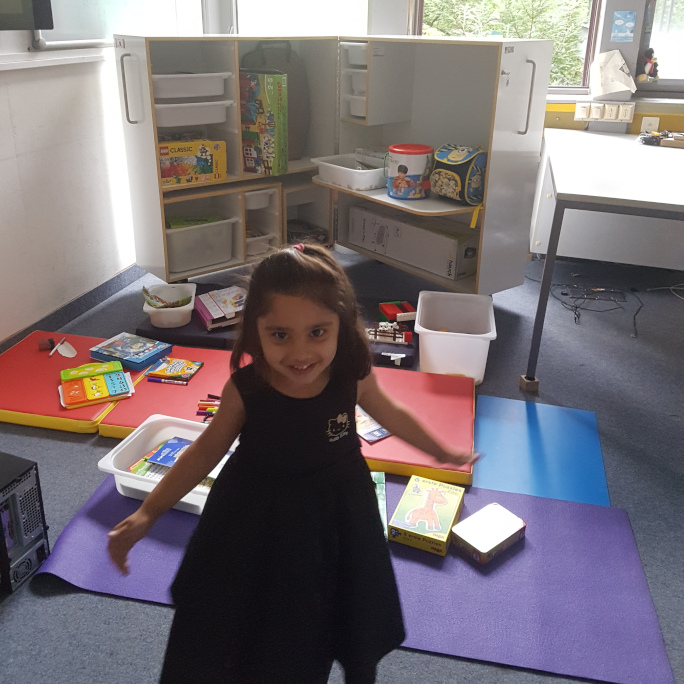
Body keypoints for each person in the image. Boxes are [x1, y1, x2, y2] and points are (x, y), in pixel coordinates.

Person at [108, 244, 478, 684]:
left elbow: (391, 411)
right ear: (255, 331)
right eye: (280, 335)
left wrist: (440, 450)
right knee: (247, 623)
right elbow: (204, 452)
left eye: (317, 332)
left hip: (335, 516)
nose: (300, 353)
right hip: (257, 518)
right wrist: (149, 512)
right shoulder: (247, 388)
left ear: (341, 324)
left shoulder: (351, 374)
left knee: (332, 618)